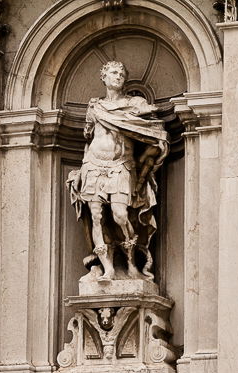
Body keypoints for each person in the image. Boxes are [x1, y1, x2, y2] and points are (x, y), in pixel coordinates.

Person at [67, 61, 169, 281]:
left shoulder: (134, 103)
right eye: (113, 72)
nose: (118, 76)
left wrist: (146, 111)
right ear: (103, 77)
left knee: (120, 215)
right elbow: (90, 139)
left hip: (121, 166)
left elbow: (152, 123)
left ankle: (132, 262)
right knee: (96, 216)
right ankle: (107, 268)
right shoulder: (94, 107)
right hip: (94, 166)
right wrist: (82, 171)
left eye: (122, 73)